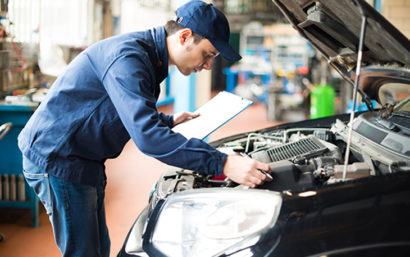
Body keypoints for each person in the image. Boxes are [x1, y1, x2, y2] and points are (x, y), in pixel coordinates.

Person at [18, 1, 272, 256]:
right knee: (84, 251)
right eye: (208, 54)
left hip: (85, 157)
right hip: (58, 157)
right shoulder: (129, 58)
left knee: (98, 248)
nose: (207, 65)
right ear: (184, 36)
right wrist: (223, 163)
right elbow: (148, 138)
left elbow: (121, 108)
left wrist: (168, 121)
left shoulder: (151, 59)